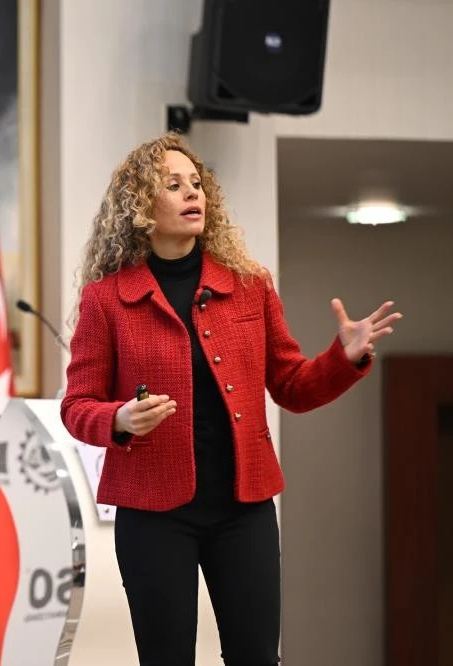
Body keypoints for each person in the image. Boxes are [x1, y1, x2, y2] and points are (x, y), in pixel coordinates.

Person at [60, 131, 402, 665]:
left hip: (244, 510)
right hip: (153, 514)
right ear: (140, 204)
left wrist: (344, 357)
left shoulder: (249, 286)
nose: (191, 193)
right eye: (173, 185)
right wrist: (120, 418)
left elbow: (292, 386)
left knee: (257, 656)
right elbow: (77, 406)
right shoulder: (106, 300)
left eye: (196, 184)